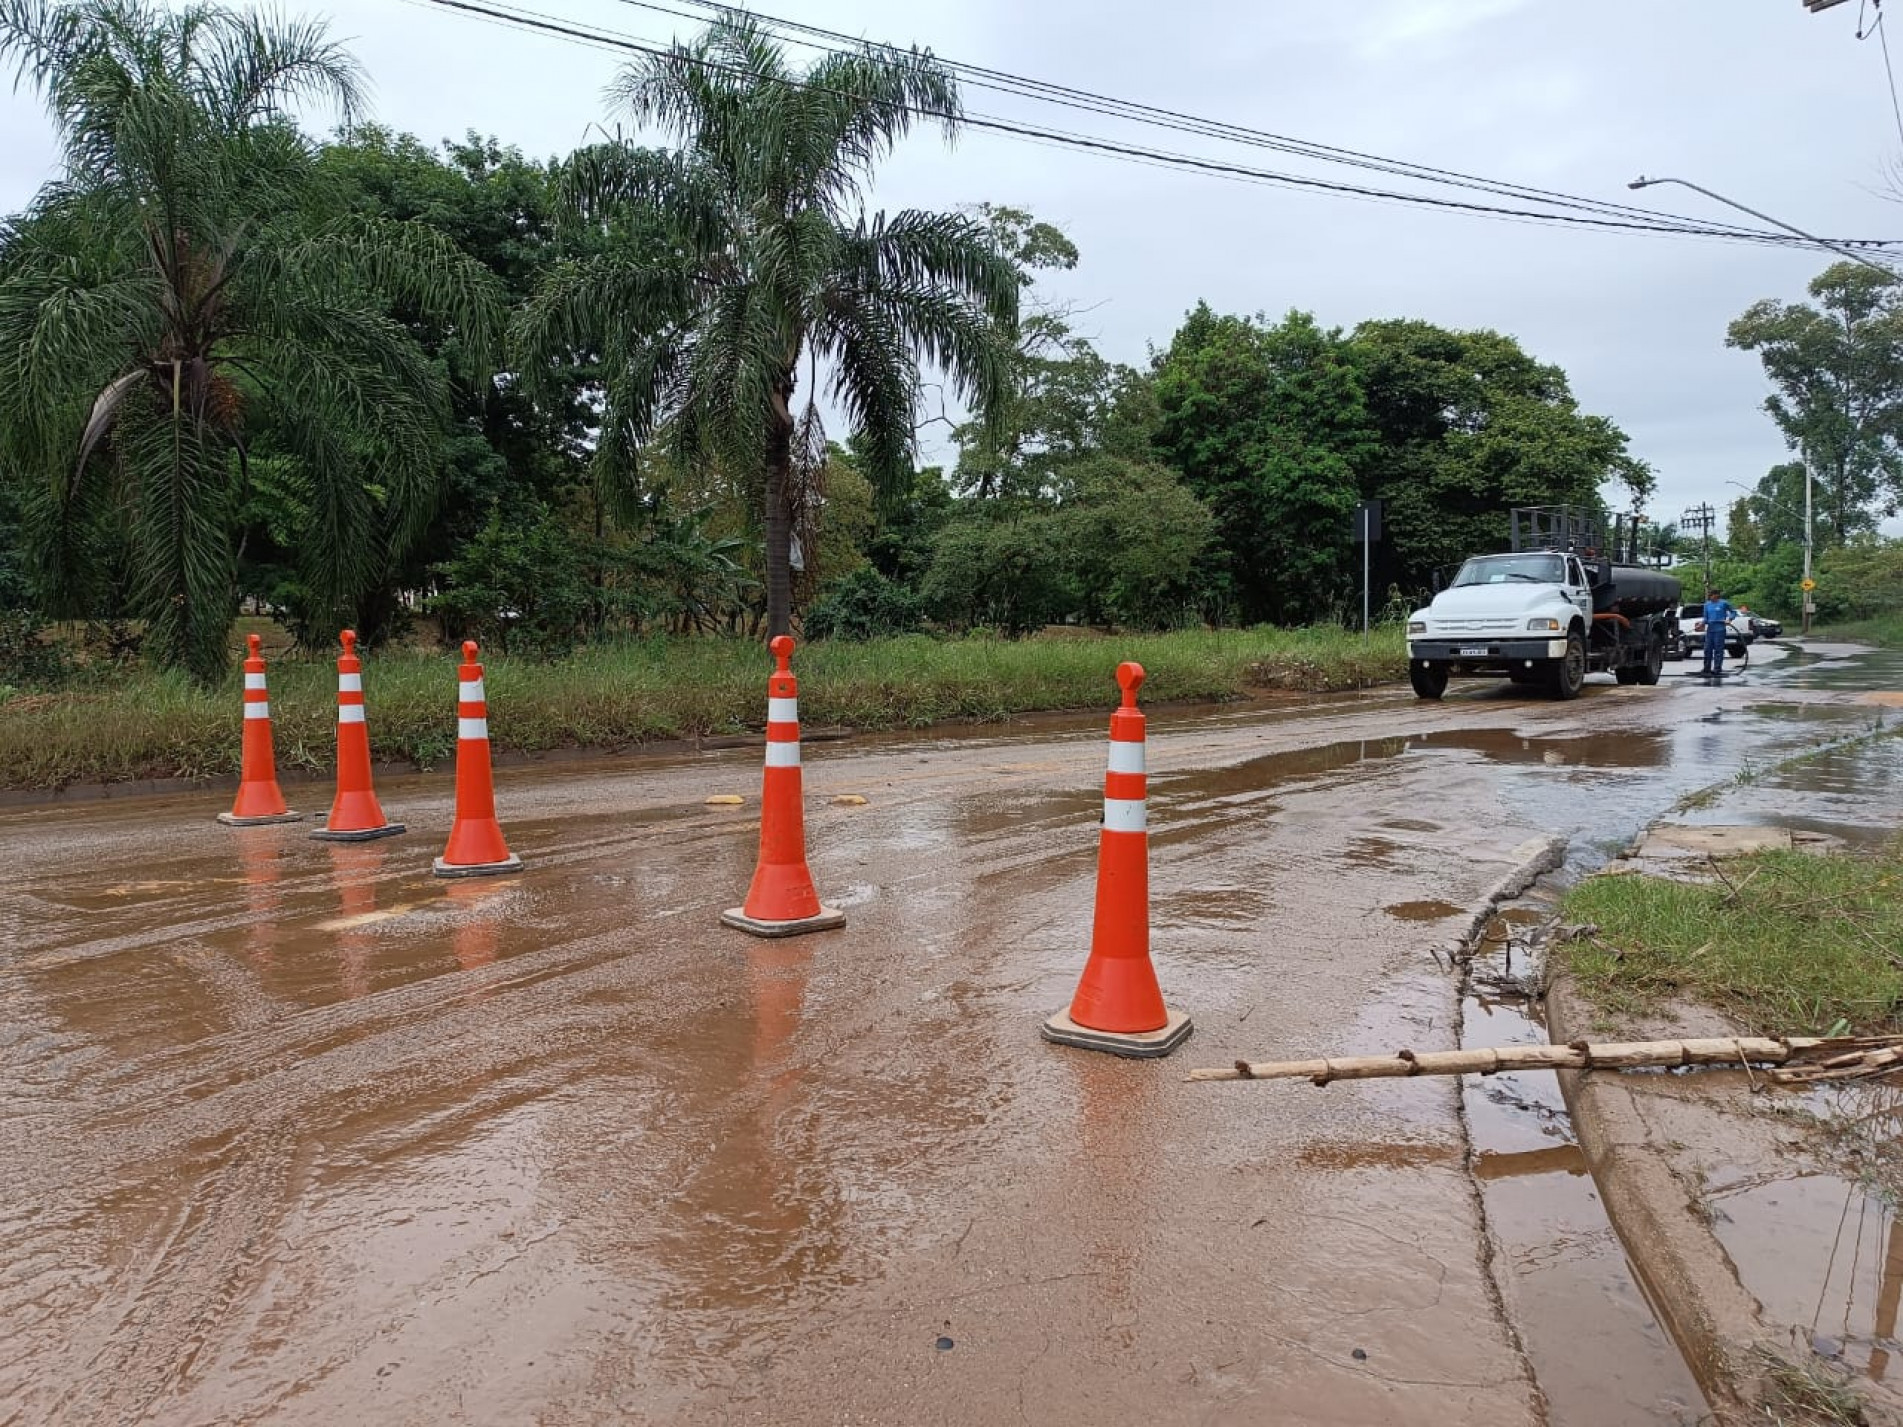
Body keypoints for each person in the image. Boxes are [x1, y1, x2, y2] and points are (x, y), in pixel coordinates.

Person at [1701, 587, 1735, 677]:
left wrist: (1729, 619)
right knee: (1707, 649)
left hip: (1720, 629)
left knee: (1718, 650)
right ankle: (1706, 668)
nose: (1711, 597)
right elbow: (1705, 618)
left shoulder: (1724, 603)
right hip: (1710, 630)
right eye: (1710, 596)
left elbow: (1733, 612)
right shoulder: (1707, 605)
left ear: (1717, 595)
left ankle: (1717, 668)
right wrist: (1702, 623)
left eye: (1712, 595)